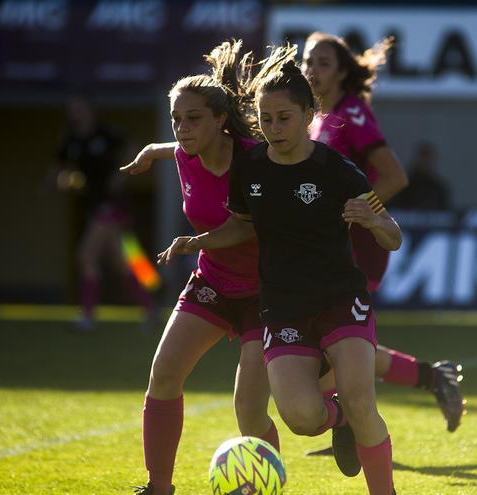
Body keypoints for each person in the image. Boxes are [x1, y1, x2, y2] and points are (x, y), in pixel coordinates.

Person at [159, 48, 401, 495]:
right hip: (283, 308)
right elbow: (240, 226)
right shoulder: (250, 167)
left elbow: (393, 235)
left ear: (309, 114)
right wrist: (199, 242)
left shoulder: (336, 170)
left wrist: (373, 220)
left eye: (284, 118)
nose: (273, 128)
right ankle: (339, 419)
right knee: (302, 419)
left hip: (338, 300)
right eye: (266, 119)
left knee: (362, 400)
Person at [120, 40, 281, 495]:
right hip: (213, 281)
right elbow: (165, 147)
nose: (183, 129)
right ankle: (159, 486)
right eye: (177, 120)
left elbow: (245, 228)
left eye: (193, 119)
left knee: (249, 410)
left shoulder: (256, 160)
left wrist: (194, 242)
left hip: (266, 292)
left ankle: (265, 485)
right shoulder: (184, 153)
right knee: (165, 371)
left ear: (220, 121)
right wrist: (148, 153)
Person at [302, 32, 463, 433]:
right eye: (308, 61)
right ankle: (430, 378)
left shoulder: (352, 112)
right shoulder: (315, 117)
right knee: (337, 341)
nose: (312, 70)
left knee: (335, 342)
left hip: (359, 247)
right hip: (327, 249)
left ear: (342, 72)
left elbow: (394, 176)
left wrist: (362, 212)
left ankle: (348, 426)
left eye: (323, 63)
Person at [55, 92, 157, 330]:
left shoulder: (106, 132)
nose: (75, 113)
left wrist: (121, 175)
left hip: (111, 204)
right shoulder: (70, 140)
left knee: (87, 256)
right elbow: (61, 171)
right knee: (124, 262)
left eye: (79, 107)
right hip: (94, 206)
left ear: (90, 110)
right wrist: (65, 181)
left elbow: (133, 149)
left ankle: (88, 316)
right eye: (72, 109)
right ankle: (151, 308)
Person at [388, 140, 450, 210]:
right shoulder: (405, 185)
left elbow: (445, 212)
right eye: (423, 158)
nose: (425, 162)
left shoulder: (438, 188)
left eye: (428, 159)